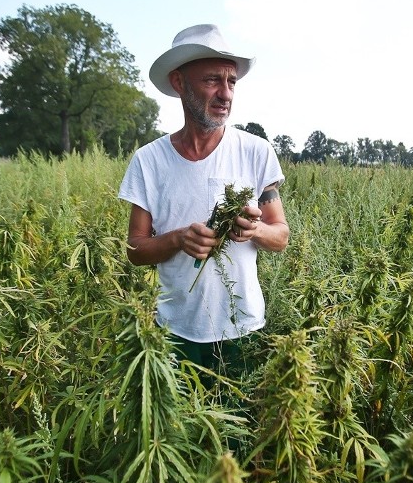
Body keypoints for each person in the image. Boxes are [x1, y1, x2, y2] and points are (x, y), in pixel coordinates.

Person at [118, 24, 289, 380]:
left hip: (241, 328)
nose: (225, 94)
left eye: (231, 82)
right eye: (212, 80)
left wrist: (254, 229)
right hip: (174, 329)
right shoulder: (149, 161)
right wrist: (178, 239)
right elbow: (135, 250)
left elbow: (281, 236)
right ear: (179, 83)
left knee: (237, 431)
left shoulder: (255, 152)